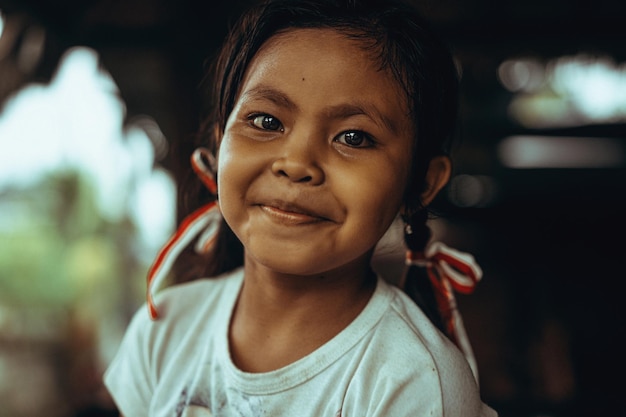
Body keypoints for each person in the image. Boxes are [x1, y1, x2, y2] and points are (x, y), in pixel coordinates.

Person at [104, 0, 498, 415]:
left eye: (354, 137)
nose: (296, 164)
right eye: (267, 122)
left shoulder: (414, 383)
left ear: (421, 183)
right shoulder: (165, 329)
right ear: (220, 148)